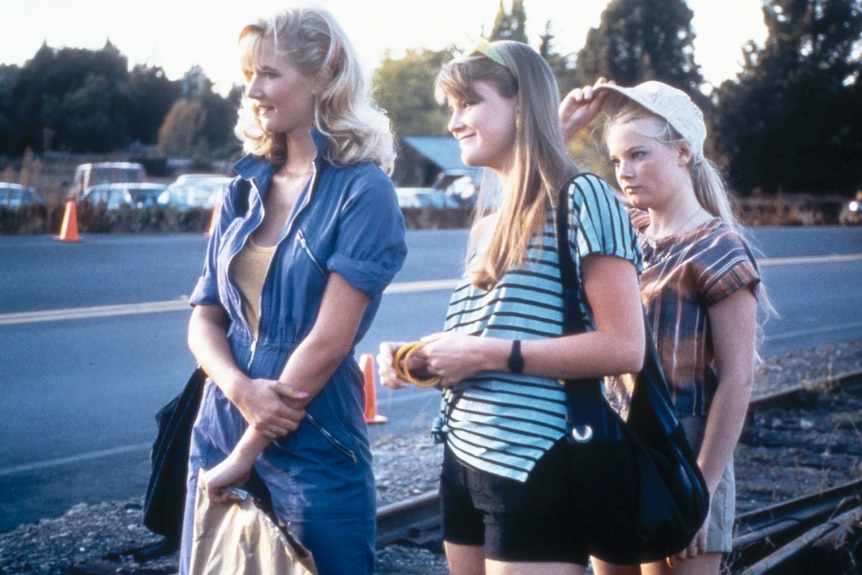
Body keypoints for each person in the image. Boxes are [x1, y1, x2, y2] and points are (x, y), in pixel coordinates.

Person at [377, 40, 645, 575]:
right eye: (450, 107)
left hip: (534, 459)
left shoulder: (584, 197)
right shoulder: (488, 225)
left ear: (521, 104)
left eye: (467, 103)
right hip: (463, 457)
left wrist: (484, 354)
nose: (453, 122)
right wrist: (422, 357)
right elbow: (499, 332)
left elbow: (624, 347)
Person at [181, 7, 406, 575]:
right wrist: (238, 390)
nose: (252, 89)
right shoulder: (241, 186)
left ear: (323, 75)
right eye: (248, 74)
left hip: (313, 433)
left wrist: (248, 447)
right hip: (223, 418)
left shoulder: (365, 190)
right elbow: (205, 319)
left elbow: (330, 341)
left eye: (269, 73)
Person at [559, 79, 764, 575]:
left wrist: (701, 491)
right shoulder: (626, 231)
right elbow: (541, 202)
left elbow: (738, 379)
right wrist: (561, 130)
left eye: (638, 155)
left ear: (683, 153)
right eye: (615, 161)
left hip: (684, 447)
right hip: (616, 442)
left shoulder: (718, 249)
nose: (624, 172)